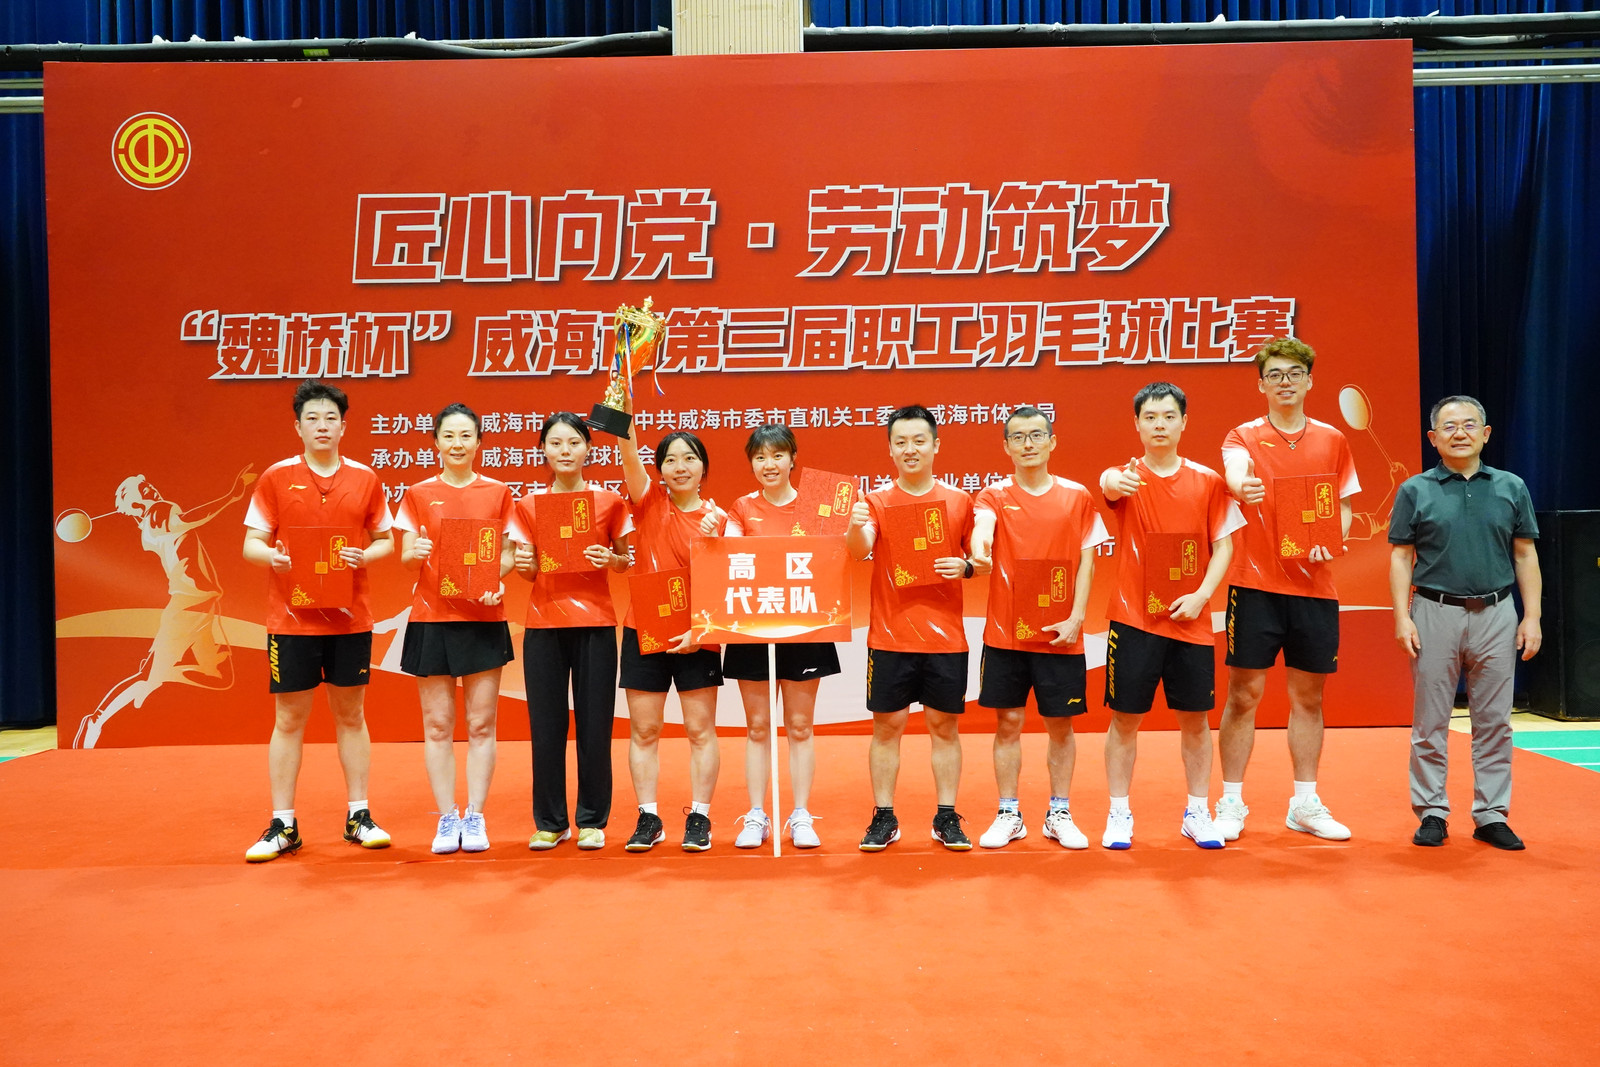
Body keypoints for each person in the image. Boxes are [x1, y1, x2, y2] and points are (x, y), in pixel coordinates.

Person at [241, 380, 395, 862]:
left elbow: (386, 540)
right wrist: (273, 557)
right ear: (298, 427)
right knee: (289, 719)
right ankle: (283, 824)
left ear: (343, 426)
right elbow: (250, 544)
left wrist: (363, 555)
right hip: (291, 621)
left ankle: (359, 815)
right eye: (313, 418)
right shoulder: (276, 477)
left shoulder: (365, 478)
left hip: (350, 619)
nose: (322, 426)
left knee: (351, 716)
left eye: (331, 418)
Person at [1218, 337, 1361, 841]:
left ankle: (1304, 802)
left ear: (1309, 381)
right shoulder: (1243, 435)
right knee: (1244, 694)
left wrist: (1332, 540)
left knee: (1309, 697)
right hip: (1254, 585)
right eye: (1274, 374)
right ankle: (1230, 800)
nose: (1285, 382)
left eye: (1294, 373)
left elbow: (1343, 505)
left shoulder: (1332, 439)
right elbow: (1234, 473)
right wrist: (1242, 486)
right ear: (1261, 384)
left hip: (1314, 588)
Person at [1389, 396, 1541, 850]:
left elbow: (1525, 554)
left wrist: (1532, 617)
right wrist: (1402, 617)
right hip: (1434, 611)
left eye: (1470, 424)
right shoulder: (1415, 490)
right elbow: (1400, 557)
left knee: (1495, 722)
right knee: (1430, 721)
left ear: (1486, 434)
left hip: (1497, 612)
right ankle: (1432, 812)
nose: (1460, 433)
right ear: (1433, 438)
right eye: (1449, 426)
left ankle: (1491, 814)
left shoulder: (1512, 487)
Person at [1099, 383, 1244, 850]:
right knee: (1125, 720)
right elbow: (1107, 484)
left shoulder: (1208, 481)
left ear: (1184, 422)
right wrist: (1111, 479)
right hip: (1133, 621)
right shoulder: (1127, 478)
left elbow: (1224, 546)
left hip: (1190, 620)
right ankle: (1119, 812)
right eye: (1150, 417)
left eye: (1167, 416)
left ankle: (1197, 812)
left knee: (1195, 721)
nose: (1159, 425)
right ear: (1137, 424)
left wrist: (1202, 596)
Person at [969, 406, 1108, 850]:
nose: (1027, 444)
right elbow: (982, 528)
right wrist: (980, 547)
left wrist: (1077, 617)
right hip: (1005, 633)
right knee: (1008, 722)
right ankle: (1008, 812)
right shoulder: (993, 495)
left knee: (1060, 724)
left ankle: (1059, 812)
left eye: (1035, 435)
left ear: (1052, 442)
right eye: (1018, 437)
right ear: (1006, 446)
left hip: (1059, 632)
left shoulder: (1077, 496)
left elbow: (1087, 560)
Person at [700, 424, 840, 850]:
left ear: (793, 458)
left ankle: (800, 815)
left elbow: (835, 557)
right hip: (754, 628)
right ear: (752, 464)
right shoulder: (742, 508)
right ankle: (757, 815)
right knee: (758, 726)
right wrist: (713, 534)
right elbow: (731, 555)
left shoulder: (818, 505)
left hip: (806, 626)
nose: (769, 464)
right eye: (760, 457)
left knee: (799, 725)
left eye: (778, 455)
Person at [847, 405, 978, 852]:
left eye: (919, 441)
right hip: (890, 636)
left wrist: (966, 567)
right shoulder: (876, 502)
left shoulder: (959, 501)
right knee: (887, 728)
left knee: (944, 727)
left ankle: (946, 816)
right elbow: (858, 549)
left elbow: (980, 560)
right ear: (890, 449)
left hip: (945, 637)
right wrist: (854, 528)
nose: (910, 449)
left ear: (936, 445)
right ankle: (884, 816)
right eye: (901, 442)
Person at [394, 404, 517, 854]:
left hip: (482, 619)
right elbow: (406, 557)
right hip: (432, 618)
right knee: (438, 725)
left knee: (481, 723)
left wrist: (495, 580)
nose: (458, 444)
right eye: (449, 436)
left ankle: (476, 816)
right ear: (436, 443)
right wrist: (415, 552)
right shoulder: (417, 493)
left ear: (479, 442)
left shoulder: (498, 493)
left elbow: (507, 554)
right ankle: (447, 817)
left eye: (466, 436)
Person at [512, 412, 632, 852]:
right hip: (544, 624)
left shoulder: (609, 501)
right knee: (546, 727)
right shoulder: (528, 505)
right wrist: (524, 566)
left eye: (574, 443)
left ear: (588, 449)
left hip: (595, 624)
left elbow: (625, 560)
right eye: (556, 443)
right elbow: (528, 570)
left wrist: (610, 560)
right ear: (543, 449)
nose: (565, 451)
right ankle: (550, 821)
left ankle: (592, 820)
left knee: (595, 726)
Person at [73, 467, 254, 749]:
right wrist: (232, 495)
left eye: (149, 486)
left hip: (203, 605)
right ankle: (95, 720)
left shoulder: (151, 524)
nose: (152, 489)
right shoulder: (159, 511)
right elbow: (192, 518)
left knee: (219, 677)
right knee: (147, 678)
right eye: (144, 490)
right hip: (188, 608)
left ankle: (165, 674)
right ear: (135, 504)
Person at [618, 395, 726, 852]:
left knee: (700, 731)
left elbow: (726, 588)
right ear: (659, 468)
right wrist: (624, 408)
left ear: (704, 467)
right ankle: (648, 817)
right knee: (644, 731)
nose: (680, 467)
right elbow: (628, 452)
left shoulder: (720, 521)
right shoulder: (647, 502)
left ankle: (699, 816)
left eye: (690, 458)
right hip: (644, 628)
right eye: (670, 459)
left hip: (698, 633)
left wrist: (701, 632)